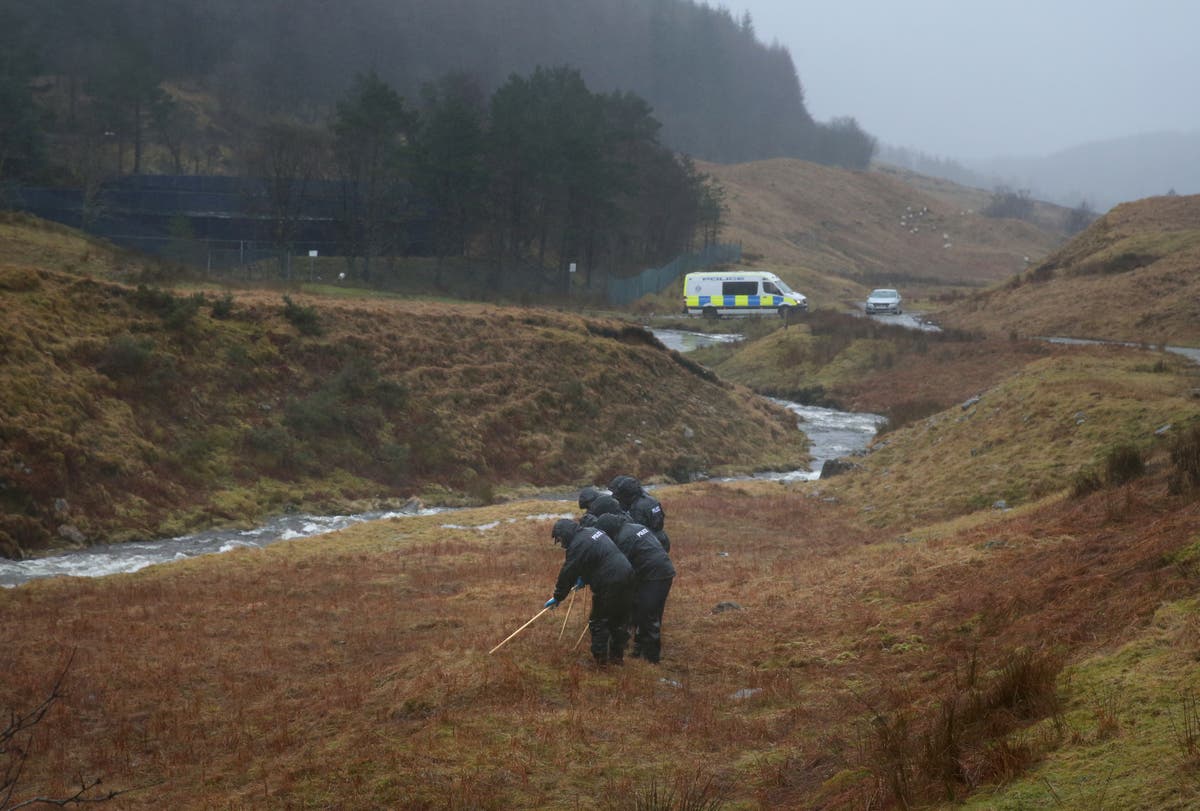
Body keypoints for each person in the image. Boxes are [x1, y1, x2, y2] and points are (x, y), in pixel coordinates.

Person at [545, 518, 634, 666]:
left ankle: (600, 662)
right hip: (628, 574)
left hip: (609, 582)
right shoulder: (593, 531)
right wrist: (585, 578)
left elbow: (568, 572)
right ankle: (617, 658)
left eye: (560, 539)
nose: (561, 544)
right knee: (619, 618)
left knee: (599, 621)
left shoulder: (577, 545)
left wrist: (558, 596)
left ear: (565, 534)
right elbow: (596, 558)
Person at [593, 512, 675, 664]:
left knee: (648, 616)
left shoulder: (623, 538)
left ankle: (651, 658)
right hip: (660, 571)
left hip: (654, 576)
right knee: (641, 611)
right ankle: (639, 650)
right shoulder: (635, 526)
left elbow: (620, 566)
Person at [608, 475, 670, 552]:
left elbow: (636, 530)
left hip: (650, 543)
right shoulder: (650, 499)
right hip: (661, 538)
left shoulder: (637, 508)